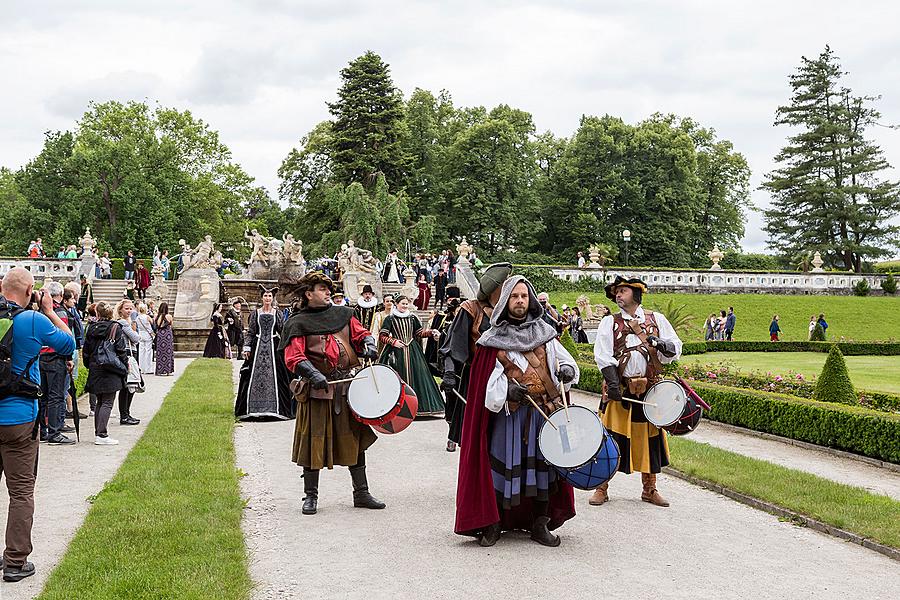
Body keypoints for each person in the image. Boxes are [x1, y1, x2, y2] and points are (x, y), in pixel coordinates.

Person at [455, 275, 579, 547]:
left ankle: (539, 523)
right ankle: (493, 523)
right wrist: (507, 392)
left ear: (531, 299)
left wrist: (567, 372)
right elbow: (485, 385)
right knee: (500, 467)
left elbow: (563, 364)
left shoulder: (545, 333)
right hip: (509, 417)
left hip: (542, 415)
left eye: (524, 296)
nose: (520, 301)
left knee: (545, 469)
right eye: (514, 296)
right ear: (505, 301)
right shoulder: (492, 339)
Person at [279, 272, 383, 515]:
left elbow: (361, 334)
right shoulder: (298, 323)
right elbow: (294, 356)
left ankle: (361, 493)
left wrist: (369, 344)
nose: (328, 293)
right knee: (313, 443)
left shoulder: (342, 315)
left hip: (347, 390)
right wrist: (313, 373)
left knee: (355, 441)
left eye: (329, 289)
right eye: (322, 289)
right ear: (308, 294)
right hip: (317, 392)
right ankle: (311, 496)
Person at [0, 268, 74, 582]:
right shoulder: (32, 321)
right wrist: (49, 310)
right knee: (20, 493)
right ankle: (15, 562)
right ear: (31, 289)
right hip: (19, 419)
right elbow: (68, 344)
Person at [591, 275, 682, 508]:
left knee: (650, 440)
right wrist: (612, 384)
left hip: (649, 392)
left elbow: (675, 348)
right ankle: (602, 487)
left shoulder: (657, 319)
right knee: (610, 439)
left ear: (636, 294)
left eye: (623, 291)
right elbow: (603, 355)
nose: (618, 295)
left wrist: (662, 344)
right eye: (617, 292)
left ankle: (649, 489)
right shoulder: (609, 323)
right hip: (619, 390)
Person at [439, 262, 511, 452]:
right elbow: (452, 345)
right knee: (477, 438)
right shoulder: (470, 309)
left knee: (504, 436)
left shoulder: (510, 310)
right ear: (494, 288)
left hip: (508, 377)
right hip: (477, 378)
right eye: (505, 285)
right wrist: (449, 372)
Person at [378, 295, 445, 416]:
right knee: (399, 376)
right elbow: (382, 336)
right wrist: (394, 342)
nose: (404, 306)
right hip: (397, 351)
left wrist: (431, 332)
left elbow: (419, 333)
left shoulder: (413, 318)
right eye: (402, 303)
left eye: (406, 304)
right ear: (396, 304)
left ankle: (418, 408)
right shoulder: (390, 319)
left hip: (413, 351)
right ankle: (400, 409)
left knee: (419, 375)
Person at [235, 286, 294, 420]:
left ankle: (276, 409)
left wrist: (287, 346)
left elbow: (282, 331)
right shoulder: (255, 313)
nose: (267, 298)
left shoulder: (277, 313)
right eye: (265, 296)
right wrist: (247, 347)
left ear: (273, 298)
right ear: (262, 298)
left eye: (269, 296)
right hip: (258, 347)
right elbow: (250, 332)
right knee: (251, 376)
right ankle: (254, 408)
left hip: (274, 347)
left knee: (279, 376)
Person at [82, 301, 128, 446]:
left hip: (95, 366)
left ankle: (99, 433)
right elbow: (121, 350)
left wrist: (89, 364)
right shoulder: (115, 327)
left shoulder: (91, 328)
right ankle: (102, 434)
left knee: (100, 402)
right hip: (110, 367)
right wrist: (125, 365)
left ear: (97, 313)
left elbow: (86, 350)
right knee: (107, 402)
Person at [37, 281, 75, 444]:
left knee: (43, 397)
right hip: (55, 357)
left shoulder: (38, 312)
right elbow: (65, 339)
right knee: (56, 397)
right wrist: (68, 358)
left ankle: (43, 432)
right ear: (59, 294)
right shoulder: (58, 312)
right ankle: (54, 432)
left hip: (41, 357)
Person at [114, 300, 141, 425]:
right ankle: (124, 415)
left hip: (130, 353)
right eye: (126, 308)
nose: (129, 311)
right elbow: (136, 338)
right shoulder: (123, 322)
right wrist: (134, 332)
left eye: (131, 308)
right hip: (127, 354)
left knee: (130, 385)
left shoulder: (128, 322)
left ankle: (126, 413)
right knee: (128, 385)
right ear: (120, 310)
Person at [154, 302, 175, 376]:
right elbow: (171, 325)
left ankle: (159, 370)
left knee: (160, 352)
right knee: (168, 352)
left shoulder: (156, 316)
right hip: (167, 335)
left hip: (160, 334)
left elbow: (155, 325)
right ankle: (168, 370)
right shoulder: (169, 316)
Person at [134, 303, 155, 373]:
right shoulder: (147, 317)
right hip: (148, 334)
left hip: (141, 334)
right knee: (148, 351)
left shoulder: (137, 318)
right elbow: (152, 323)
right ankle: (148, 368)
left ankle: (141, 368)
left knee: (141, 351)